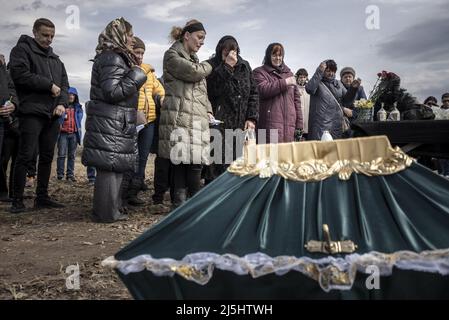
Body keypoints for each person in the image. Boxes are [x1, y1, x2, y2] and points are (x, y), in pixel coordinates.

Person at [81, 18, 147, 223]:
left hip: (114, 120)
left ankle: (111, 210)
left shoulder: (113, 57)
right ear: (118, 35)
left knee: (114, 166)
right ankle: (106, 213)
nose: (132, 38)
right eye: (129, 34)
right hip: (111, 120)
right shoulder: (113, 58)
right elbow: (112, 91)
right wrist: (138, 74)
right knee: (109, 167)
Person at [9, 18, 69, 213]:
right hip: (31, 112)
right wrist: (48, 85)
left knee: (47, 156)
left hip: (52, 114)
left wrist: (61, 104)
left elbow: (65, 86)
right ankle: (17, 200)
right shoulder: (21, 51)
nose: (48, 39)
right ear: (35, 32)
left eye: (51, 36)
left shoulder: (56, 60)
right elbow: (19, 75)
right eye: (44, 35)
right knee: (26, 155)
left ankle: (42, 197)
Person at [158, 19, 213, 208]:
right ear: (187, 35)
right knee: (181, 163)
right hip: (181, 117)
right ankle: (181, 206)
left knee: (195, 162)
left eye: (203, 39)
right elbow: (193, 72)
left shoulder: (193, 59)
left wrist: (208, 110)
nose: (202, 42)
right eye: (199, 37)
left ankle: (193, 206)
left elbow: (202, 93)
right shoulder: (172, 55)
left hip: (196, 117)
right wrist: (211, 64)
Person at [205, 35, 259, 181]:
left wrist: (251, 118)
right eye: (225, 54)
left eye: (232, 53)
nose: (229, 56)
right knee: (217, 165)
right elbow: (211, 91)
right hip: (219, 123)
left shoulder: (245, 66)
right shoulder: (212, 65)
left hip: (241, 123)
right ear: (220, 51)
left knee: (239, 164)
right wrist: (226, 67)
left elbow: (253, 93)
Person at [123, 36, 165, 206]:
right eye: (136, 52)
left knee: (143, 157)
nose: (139, 56)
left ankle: (134, 191)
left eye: (142, 53)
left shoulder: (149, 72)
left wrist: (162, 98)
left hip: (149, 120)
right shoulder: (125, 69)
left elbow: (159, 89)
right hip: (132, 119)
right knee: (131, 156)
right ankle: (123, 192)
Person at [253, 43, 302, 143]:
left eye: (280, 55)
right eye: (274, 55)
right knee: (266, 156)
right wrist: (285, 82)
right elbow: (262, 90)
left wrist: (299, 125)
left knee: (285, 157)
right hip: (266, 126)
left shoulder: (289, 74)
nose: (277, 58)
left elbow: (296, 101)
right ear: (268, 56)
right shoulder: (259, 72)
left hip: (289, 127)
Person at [306, 60, 359, 140]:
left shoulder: (339, 84)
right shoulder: (317, 82)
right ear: (323, 70)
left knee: (336, 150)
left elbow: (346, 101)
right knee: (321, 150)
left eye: (333, 71)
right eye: (328, 71)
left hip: (336, 125)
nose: (331, 73)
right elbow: (309, 89)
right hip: (321, 126)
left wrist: (353, 89)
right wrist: (319, 71)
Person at [0, 53, 18, 202]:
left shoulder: (9, 76)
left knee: (17, 160)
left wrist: (14, 105)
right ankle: (3, 191)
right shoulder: (5, 74)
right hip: (6, 124)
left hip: (16, 123)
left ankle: (13, 192)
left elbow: (13, 94)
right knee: (3, 159)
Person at [57, 87, 83, 182]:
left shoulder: (78, 108)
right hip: (63, 134)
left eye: (73, 95)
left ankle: (70, 175)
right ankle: (60, 175)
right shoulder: (62, 107)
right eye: (69, 95)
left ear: (75, 96)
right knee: (61, 155)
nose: (71, 96)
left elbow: (79, 120)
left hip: (74, 134)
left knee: (72, 155)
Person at [295, 68, 310, 140]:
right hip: (297, 122)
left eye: (304, 77)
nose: (302, 79)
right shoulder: (294, 88)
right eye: (301, 77)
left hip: (308, 122)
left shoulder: (309, 89)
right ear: (297, 78)